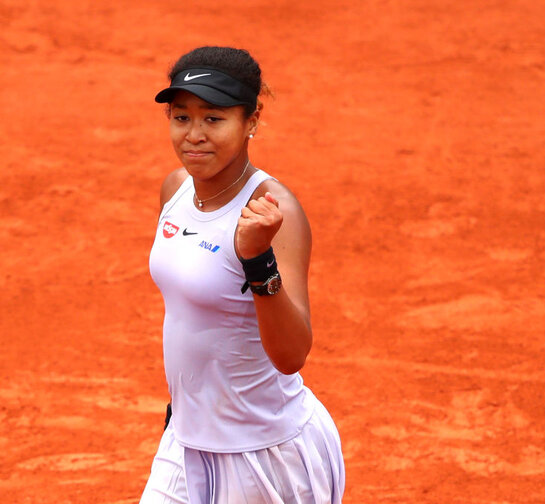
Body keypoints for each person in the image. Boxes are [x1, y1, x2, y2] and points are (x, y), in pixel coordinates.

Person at [141, 46, 345, 504]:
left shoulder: (277, 212)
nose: (194, 135)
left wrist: (257, 260)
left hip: (265, 456)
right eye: (181, 118)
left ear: (251, 121)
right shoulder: (176, 190)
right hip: (187, 442)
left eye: (213, 120)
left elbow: (292, 354)